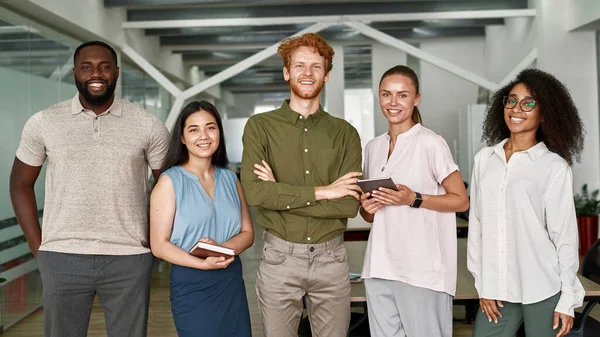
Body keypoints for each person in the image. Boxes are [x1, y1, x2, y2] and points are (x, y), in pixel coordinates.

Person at [9, 41, 169, 337]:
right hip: (62, 256)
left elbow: (170, 186)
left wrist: (154, 242)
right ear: (74, 73)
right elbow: (20, 184)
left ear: (117, 73)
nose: (96, 74)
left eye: (104, 66)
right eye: (87, 67)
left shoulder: (147, 125)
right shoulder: (44, 122)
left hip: (129, 257)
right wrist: (39, 248)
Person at [240, 33, 363, 337]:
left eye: (316, 67)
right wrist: (324, 191)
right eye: (299, 66)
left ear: (327, 74)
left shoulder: (345, 133)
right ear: (286, 72)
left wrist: (279, 192)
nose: (307, 74)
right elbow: (256, 193)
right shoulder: (260, 128)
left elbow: (348, 204)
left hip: (331, 259)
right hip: (279, 258)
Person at [467, 68, 585, 337]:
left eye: (528, 103)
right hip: (497, 288)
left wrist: (567, 299)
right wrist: (483, 284)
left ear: (544, 114)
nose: (516, 109)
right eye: (511, 100)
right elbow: (477, 226)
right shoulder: (484, 159)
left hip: (543, 286)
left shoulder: (553, 167)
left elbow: (564, 236)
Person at [359, 65, 469, 337]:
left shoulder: (431, 143)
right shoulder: (373, 147)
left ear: (416, 98)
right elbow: (370, 215)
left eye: (402, 95)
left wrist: (414, 198)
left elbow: (461, 201)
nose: (393, 103)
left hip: (421, 269)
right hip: (380, 265)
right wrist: (367, 209)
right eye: (386, 95)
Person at [149, 101, 253, 337]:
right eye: (193, 129)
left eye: (210, 127)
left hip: (230, 279)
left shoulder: (230, 178)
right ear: (182, 138)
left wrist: (219, 250)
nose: (204, 136)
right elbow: (159, 245)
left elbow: (247, 233)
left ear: (219, 132)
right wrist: (202, 262)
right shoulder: (169, 182)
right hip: (191, 281)